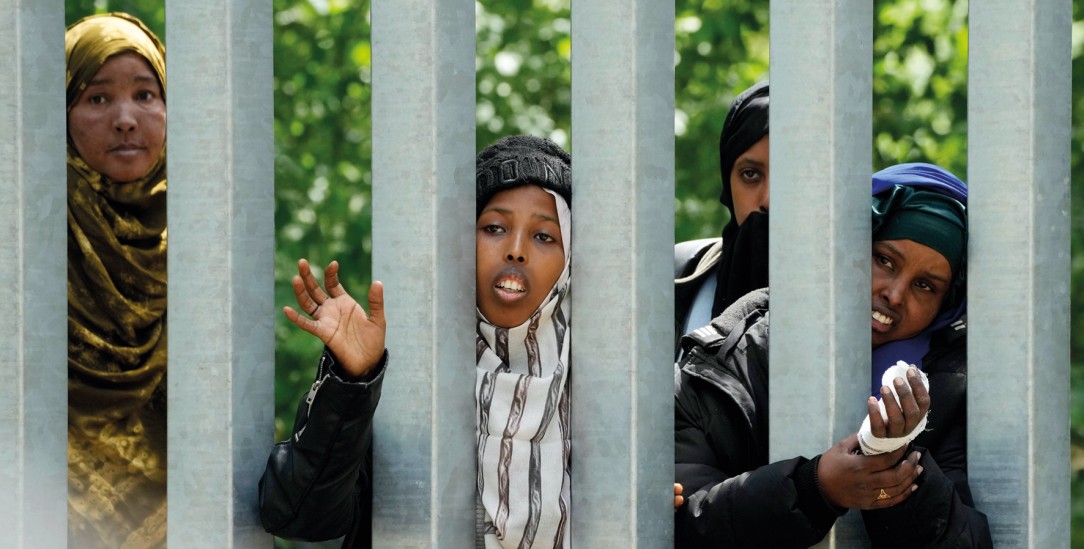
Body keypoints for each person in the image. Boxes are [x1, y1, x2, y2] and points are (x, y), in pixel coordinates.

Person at [259, 135, 573, 548]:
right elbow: (296, 515)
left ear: (571, 259)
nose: (515, 250)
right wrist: (352, 383)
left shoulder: (609, 389)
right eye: (494, 228)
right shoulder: (405, 381)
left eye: (544, 236)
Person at [673, 163, 992, 548]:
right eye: (884, 261)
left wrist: (893, 459)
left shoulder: (954, 391)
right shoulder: (736, 354)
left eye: (925, 286)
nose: (894, 293)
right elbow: (683, 521)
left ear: (945, 307)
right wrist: (814, 489)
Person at [65, 12, 169, 549]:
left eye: (146, 95)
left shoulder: (202, 243)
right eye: (98, 98)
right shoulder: (31, 236)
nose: (127, 119)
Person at [674, 81, 769, 356]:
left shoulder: (865, 290)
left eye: (790, 174)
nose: (768, 200)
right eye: (751, 174)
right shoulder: (685, 275)